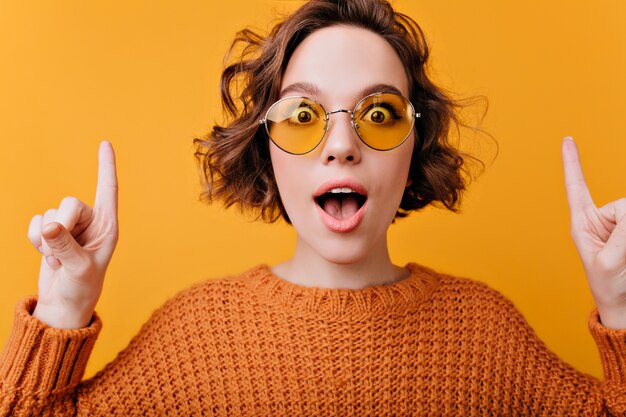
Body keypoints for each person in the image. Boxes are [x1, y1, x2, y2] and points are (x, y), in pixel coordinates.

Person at [1, 0, 625, 415]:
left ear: (415, 144)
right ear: (264, 147)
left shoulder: (485, 335)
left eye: (378, 114)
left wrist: (622, 310)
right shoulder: (196, 338)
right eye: (303, 116)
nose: (342, 145)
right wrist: (63, 309)